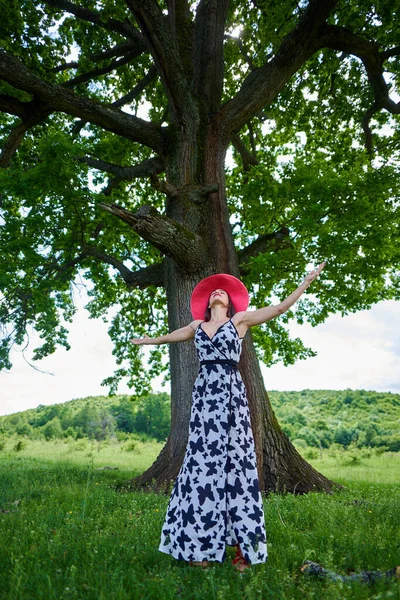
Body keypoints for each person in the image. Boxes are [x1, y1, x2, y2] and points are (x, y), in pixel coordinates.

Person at [130, 263, 326, 572]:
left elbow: (278, 309)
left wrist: (305, 282)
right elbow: (171, 337)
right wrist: (147, 341)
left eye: (223, 290)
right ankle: (199, 547)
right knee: (201, 469)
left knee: (237, 466)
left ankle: (242, 552)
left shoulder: (240, 320)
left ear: (230, 301)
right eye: (213, 292)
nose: (218, 292)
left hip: (231, 397)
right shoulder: (196, 326)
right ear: (207, 303)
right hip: (205, 397)